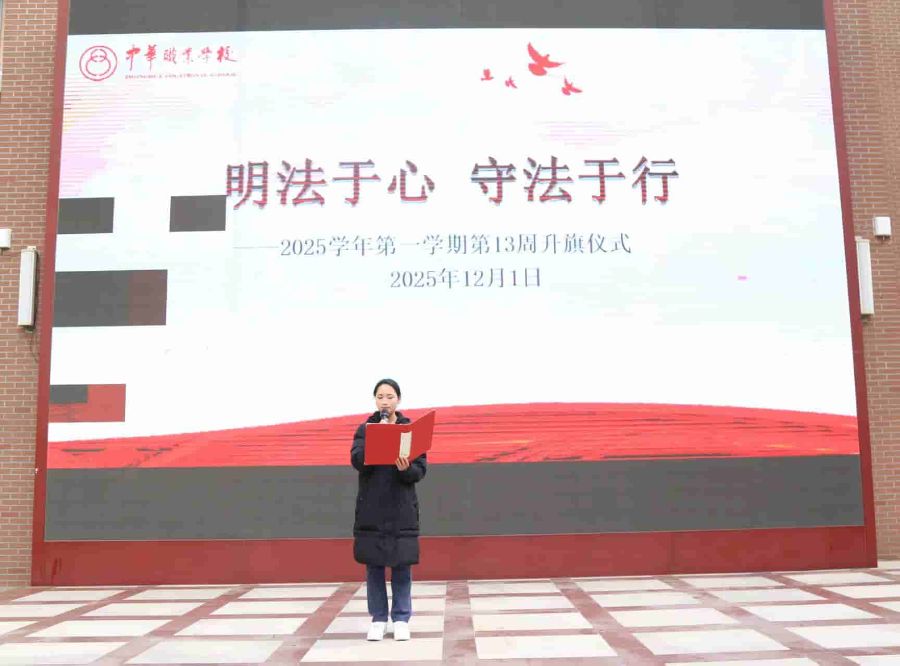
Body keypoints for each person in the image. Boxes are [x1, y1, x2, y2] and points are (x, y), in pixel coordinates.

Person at [351, 378, 427, 641]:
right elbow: (356, 460)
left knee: (401, 565)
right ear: (375, 400)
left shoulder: (409, 431)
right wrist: (377, 439)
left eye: (390, 396)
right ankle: (378, 619)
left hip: (401, 509)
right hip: (372, 509)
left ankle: (401, 618)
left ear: (399, 400)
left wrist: (406, 468)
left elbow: (420, 470)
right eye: (380, 397)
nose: (385, 401)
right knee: (374, 566)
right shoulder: (365, 429)